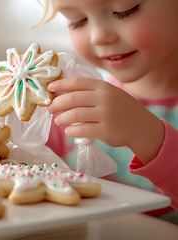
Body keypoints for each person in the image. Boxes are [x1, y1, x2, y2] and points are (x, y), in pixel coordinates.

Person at [37, 0, 178, 223]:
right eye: (77, 21)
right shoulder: (68, 110)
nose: (98, 36)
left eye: (125, 10)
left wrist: (146, 134)